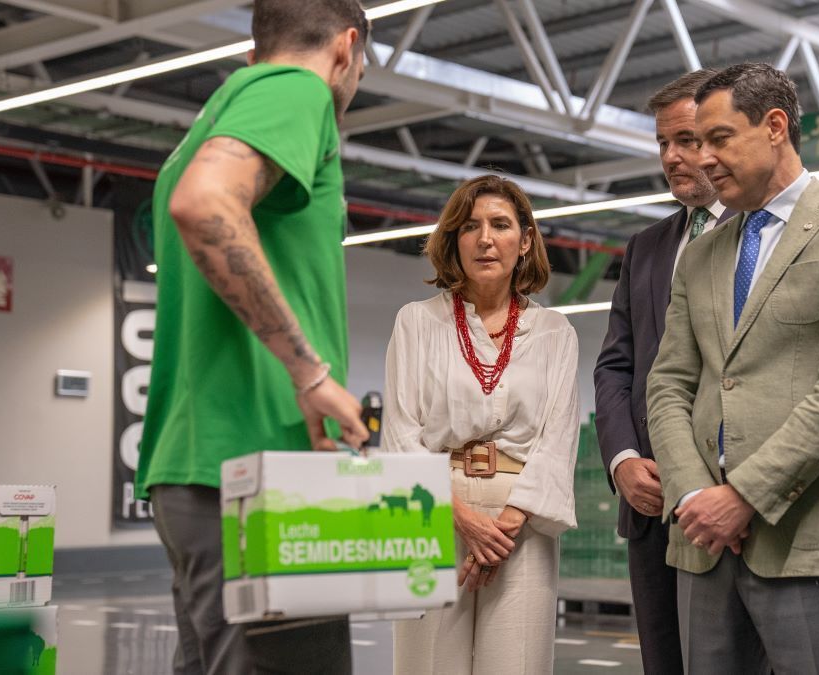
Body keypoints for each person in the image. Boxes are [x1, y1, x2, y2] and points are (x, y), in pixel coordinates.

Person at [136, 0, 372, 671]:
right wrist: (311, 372)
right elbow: (205, 204)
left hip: (192, 472)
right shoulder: (301, 90)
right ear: (344, 48)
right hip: (264, 469)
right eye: (359, 70)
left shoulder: (215, 116)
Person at [646, 62, 819, 673]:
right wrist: (692, 495)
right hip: (704, 544)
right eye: (693, 142)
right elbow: (668, 384)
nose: (702, 158)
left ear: (775, 126)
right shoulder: (702, 254)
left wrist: (744, 496)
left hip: (812, 541)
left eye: (718, 138)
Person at [383, 175, 579, 674]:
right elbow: (401, 433)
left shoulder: (556, 332)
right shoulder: (416, 322)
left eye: (500, 225)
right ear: (453, 240)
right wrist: (463, 519)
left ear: (526, 240)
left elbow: (558, 439)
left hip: (521, 522)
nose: (485, 239)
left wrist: (505, 527)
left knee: (516, 665)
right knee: (426, 665)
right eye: (470, 226)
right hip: (433, 511)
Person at [592, 68, 732, 675]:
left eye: (688, 141)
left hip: (730, 503)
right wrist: (622, 459)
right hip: (650, 505)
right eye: (663, 144)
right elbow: (615, 365)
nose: (671, 158)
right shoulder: (646, 246)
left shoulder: (762, 236)